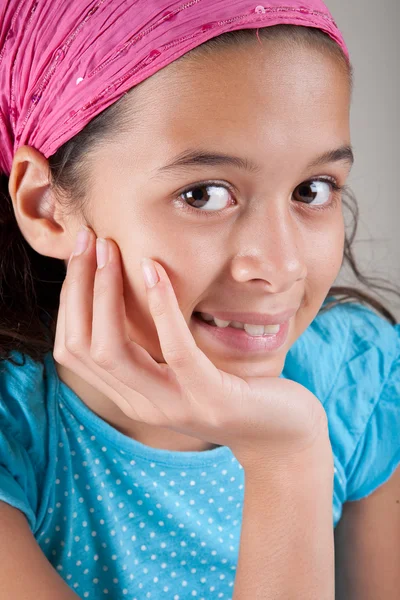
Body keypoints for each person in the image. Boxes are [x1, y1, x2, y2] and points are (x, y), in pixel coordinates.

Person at [0, 0, 399, 598]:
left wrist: (293, 449)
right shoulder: (17, 436)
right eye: (204, 194)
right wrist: (285, 464)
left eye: (311, 190)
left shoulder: (360, 377)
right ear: (44, 206)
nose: (280, 265)